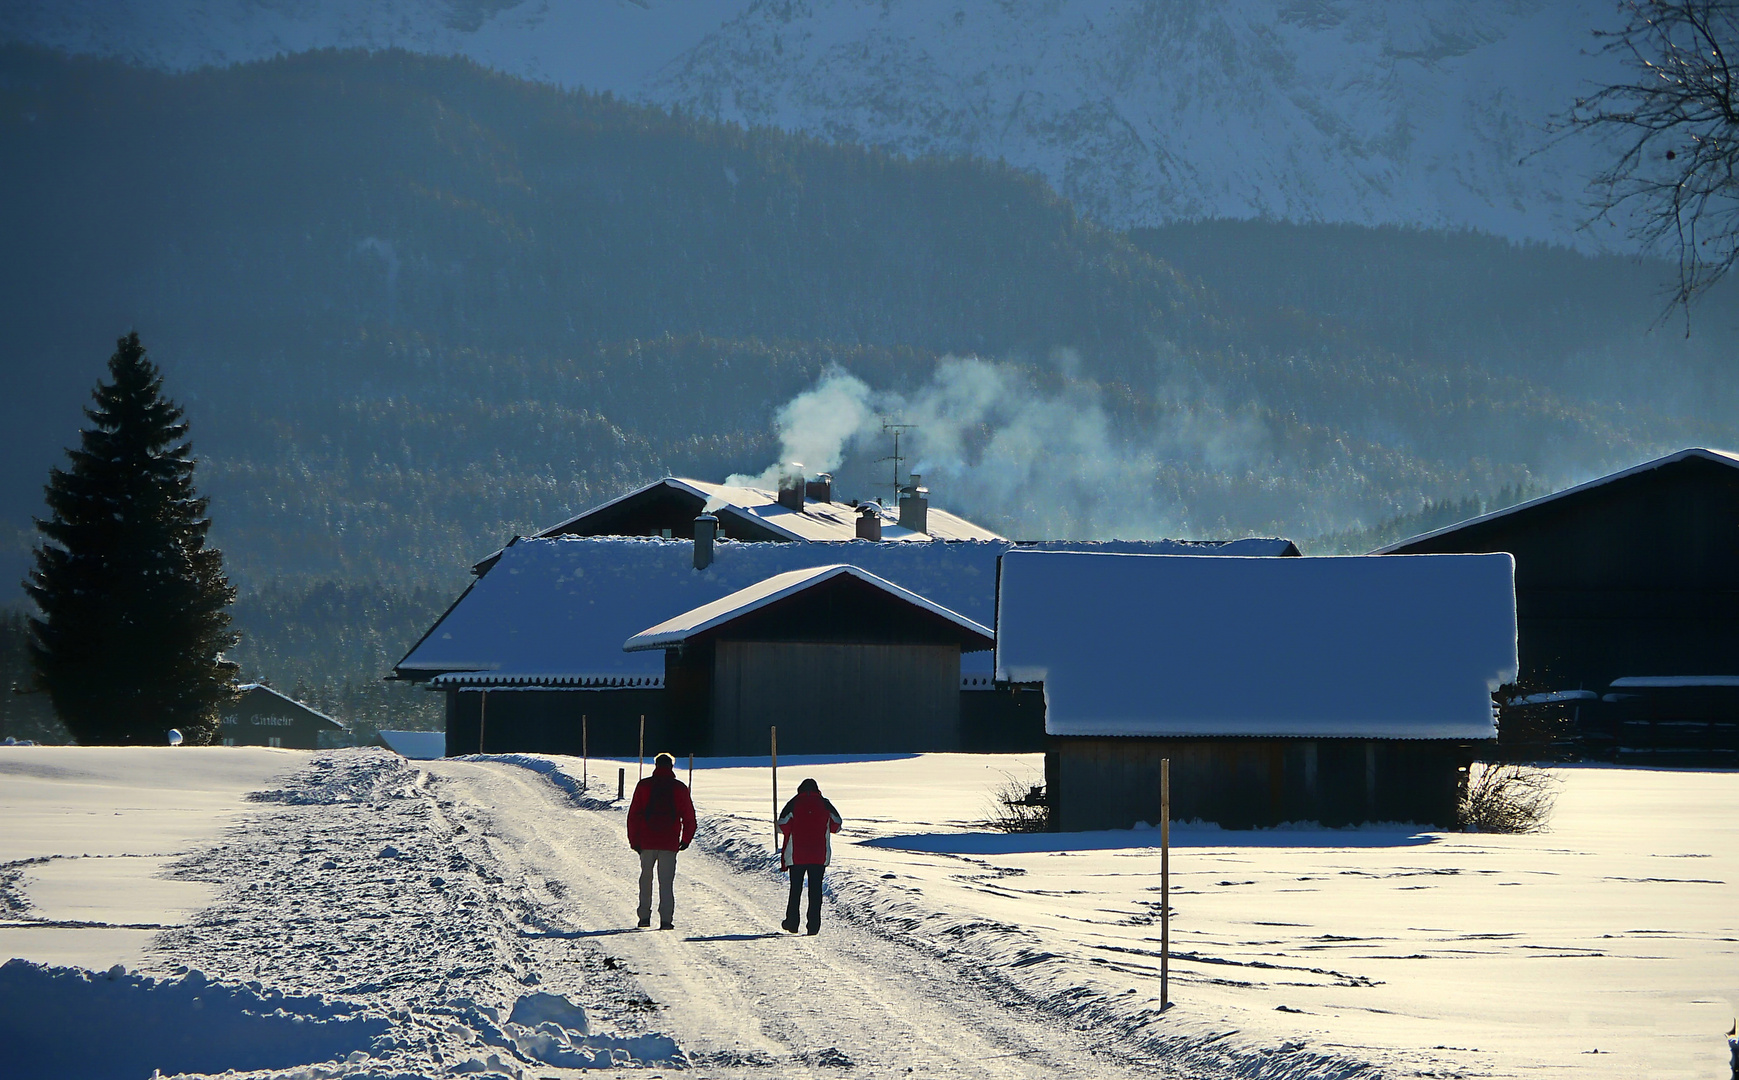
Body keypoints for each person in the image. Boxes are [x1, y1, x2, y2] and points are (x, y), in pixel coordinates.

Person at [626, 752, 697, 930]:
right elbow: (689, 817)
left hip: (646, 841)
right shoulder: (679, 788)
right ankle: (666, 919)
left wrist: (634, 840)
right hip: (669, 842)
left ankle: (644, 917)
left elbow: (633, 815)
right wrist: (686, 839)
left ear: (656, 765)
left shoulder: (644, 785)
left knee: (645, 879)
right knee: (666, 882)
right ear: (671, 767)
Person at [777, 777, 841, 935]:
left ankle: (792, 922)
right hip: (819, 856)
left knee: (795, 889)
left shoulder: (794, 802)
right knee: (815, 890)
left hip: (797, 855)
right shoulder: (825, 803)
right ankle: (813, 926)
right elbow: (837, 825)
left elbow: (782, 825)